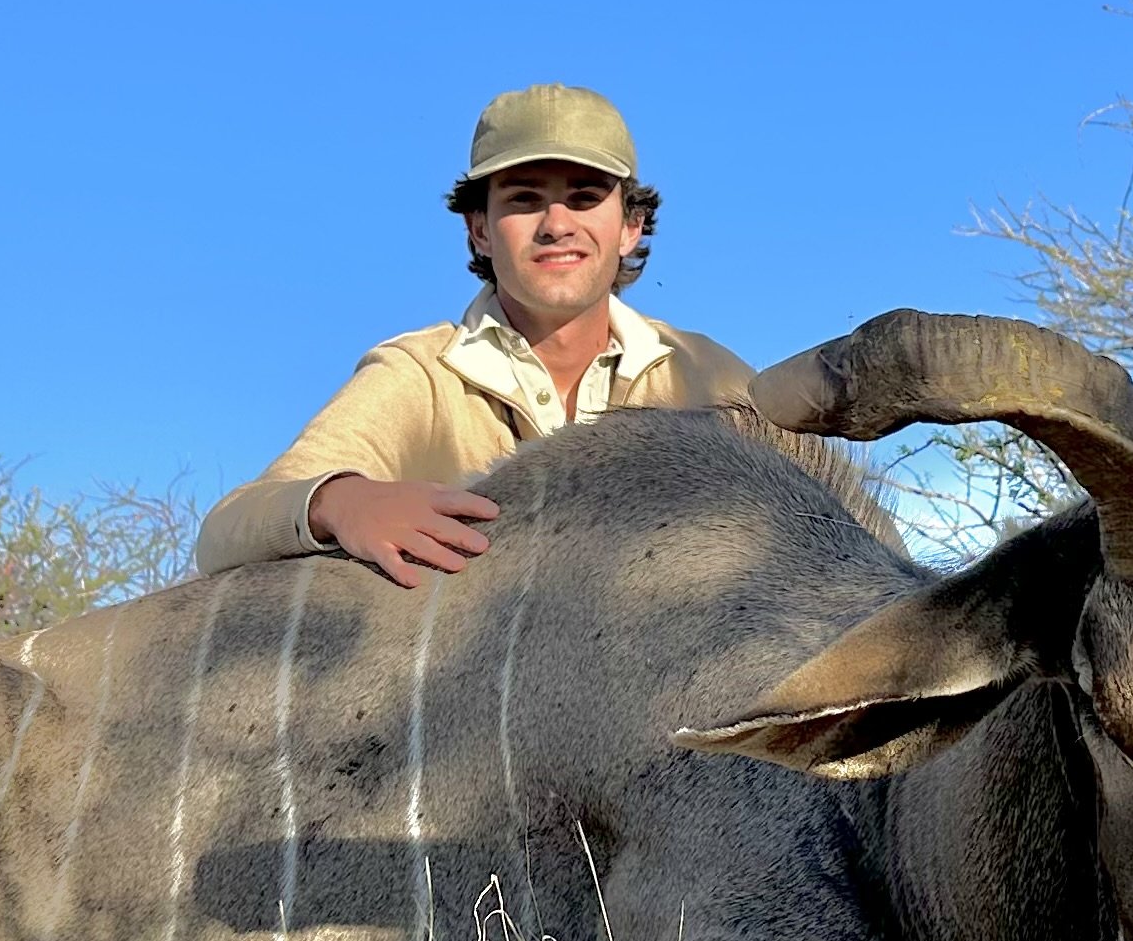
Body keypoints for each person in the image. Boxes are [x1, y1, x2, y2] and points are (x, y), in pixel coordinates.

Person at [195, 83, 834, 586]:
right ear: (479, 229)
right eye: (525, 199)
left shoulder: (704, 374)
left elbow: (842, 528)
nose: (557, 224)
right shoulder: (420, 375)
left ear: (630, 226)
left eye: (585, 197)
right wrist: (341, 503)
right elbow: (225, 530)